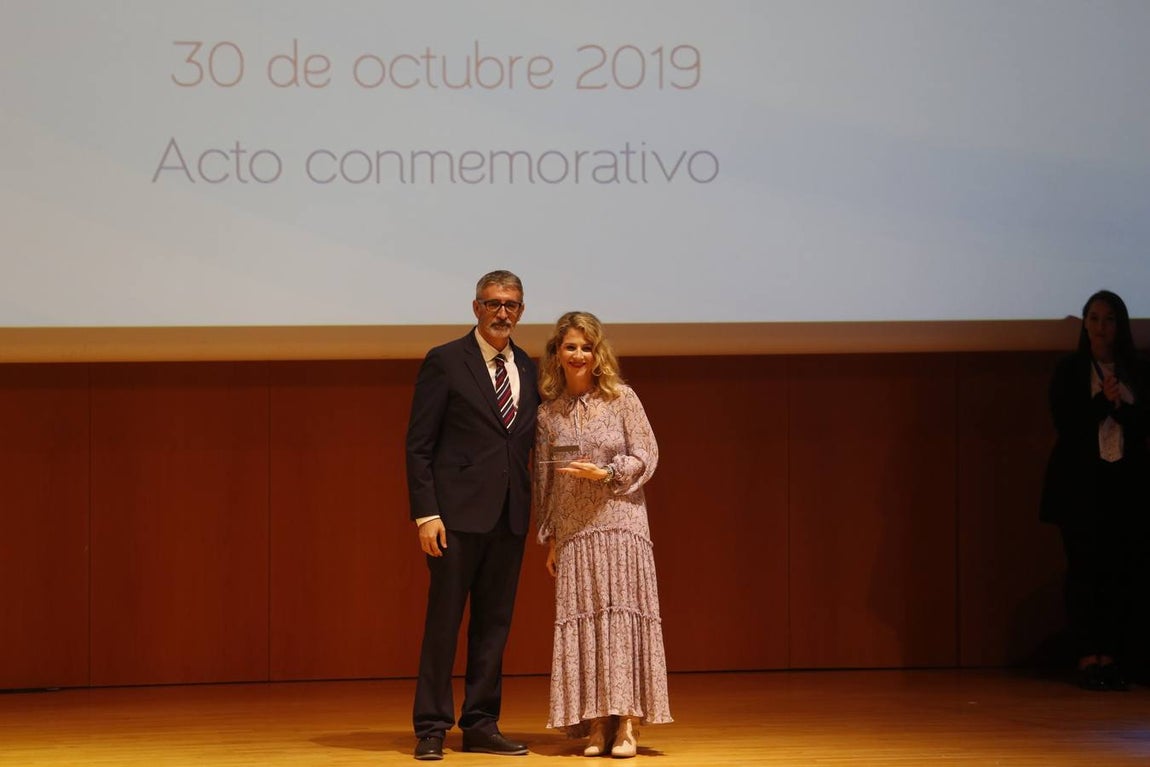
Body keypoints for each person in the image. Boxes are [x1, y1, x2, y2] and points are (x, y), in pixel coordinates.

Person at [405, 270, 540, 760]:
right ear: (476, 307)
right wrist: (426, 514)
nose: (502, 312)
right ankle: (432, 727)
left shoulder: (528, 366)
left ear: (522, 310)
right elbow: (418, 446)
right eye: (493, 303)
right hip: (453, 520)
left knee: (494, 626)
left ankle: (481, 723)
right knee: (443, 623)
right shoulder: (445, 361)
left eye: (511, 304)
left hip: (509, 519)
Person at [533, 311, 672, 759]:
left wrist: (608, 472)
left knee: (621, 619)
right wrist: (551, 536)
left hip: (620, 523)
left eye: (586, 347)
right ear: (557, 354)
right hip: (575, 532)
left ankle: (627, 722)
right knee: (588, 622)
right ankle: (596, 724)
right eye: (570, 347)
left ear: (598, 354)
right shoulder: (547, 415)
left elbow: (647, 453)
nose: (578, 355)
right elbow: (545, 482)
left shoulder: (621, 398)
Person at [1039, 289, 1148, 691]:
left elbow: (1144, 424)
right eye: (1095, 318)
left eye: (1110, 319)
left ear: (1120, 327)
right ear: (1084, 324)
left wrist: (1124, 407)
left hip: (1126, 488)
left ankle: (1113, 657)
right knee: (1084, 571)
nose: (1102, 327)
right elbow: (1067, 424)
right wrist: (1103, 403)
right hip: (1080, 489)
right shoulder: (1069, 370)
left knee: (1120, 574)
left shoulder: (1137, 370)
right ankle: (1088, 656)